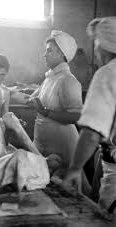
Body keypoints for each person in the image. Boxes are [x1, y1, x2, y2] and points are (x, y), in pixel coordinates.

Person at [62, 17, 116, 214]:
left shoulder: (108, 73)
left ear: (104, 45)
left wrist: (75, 168)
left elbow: (92, 131)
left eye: (96, 43)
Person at [26, 30, 83, 180]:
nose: (44, 55)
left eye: (49, 51)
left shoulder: (68, 80)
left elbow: (76, 116)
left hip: (62, 148)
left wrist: (45, 111)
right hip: (44, 144)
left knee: (64, 194)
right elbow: (35, 99)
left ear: (61, 54)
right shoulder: (50, 78)